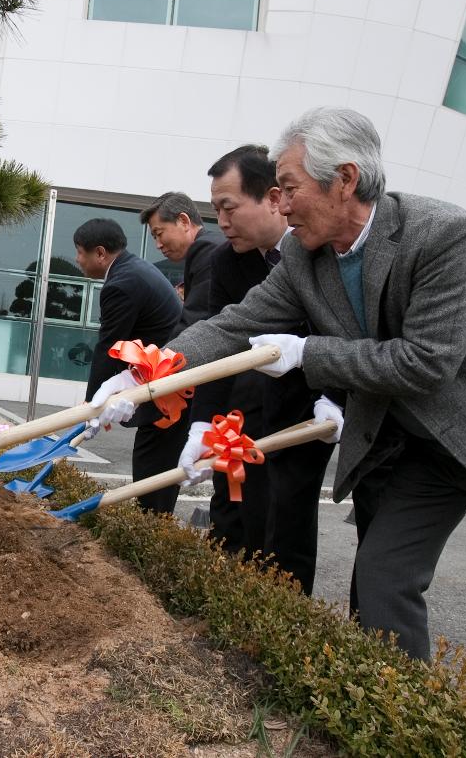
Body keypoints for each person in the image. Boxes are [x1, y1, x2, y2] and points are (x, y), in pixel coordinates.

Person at [127, 107, 466, 757]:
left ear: (345, 179)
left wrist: (309, 354)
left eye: (289, 185)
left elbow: (426, 362)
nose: (279, 202)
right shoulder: (304, 254)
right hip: (434, 452)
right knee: (383, 575)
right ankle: (401, 729)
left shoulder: (443, 235)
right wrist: (151, 374)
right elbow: (239, 323)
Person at [187, 144, 337, 595]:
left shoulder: (320, 252)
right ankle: (236, 609)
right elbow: (219, 344)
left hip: (316, 409)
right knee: (238, 513)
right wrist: (201, 425)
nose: (222, 222)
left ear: (273, 198)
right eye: (215, 210)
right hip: (249, 409)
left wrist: (335, 398)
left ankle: (286, 621)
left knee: (286, 521)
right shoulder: (227, 262)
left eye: (228, 207)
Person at [74, 218, 186, 515]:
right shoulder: (133, 268)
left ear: (100, 253)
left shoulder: (121, 283)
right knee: (154, 464)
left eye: (79, 252)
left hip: (170, 388)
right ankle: (153, 527)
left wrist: (91, 403)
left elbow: (109, 346)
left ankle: (151, 537)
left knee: (152, 469)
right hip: (163, 381)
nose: (77, 260)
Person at [139, 191, 225, 334]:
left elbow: (196, 321)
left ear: (184, 221)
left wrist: (165, 354)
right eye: (154, 238)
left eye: (159, 234)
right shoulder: (209, 246)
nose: (158, 245)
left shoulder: (206, 249)